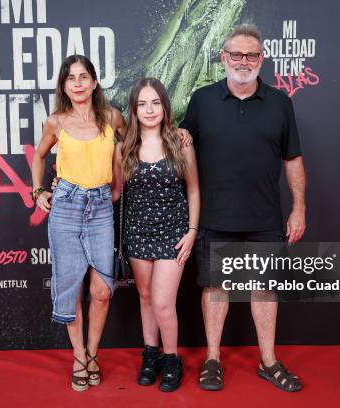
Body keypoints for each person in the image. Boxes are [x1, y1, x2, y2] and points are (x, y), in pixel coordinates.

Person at [180, 24, 306, 392]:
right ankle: (213, 359)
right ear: (224, 57)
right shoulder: (202, 101)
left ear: (262, 59)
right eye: (236, 54)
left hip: (265, 217)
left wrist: (299, 207)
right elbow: (182, 146)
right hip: (215, 215)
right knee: (217, 289)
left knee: (265, 290)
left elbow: (293, 158)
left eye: (252, 55)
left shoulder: (281, 103)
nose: (244, 61)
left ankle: (268, 361)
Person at [31, 54, 126, 392]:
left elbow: (130, 148)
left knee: (101, 291)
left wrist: (117, 183)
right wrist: (39, 191)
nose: (78, 83)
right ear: (64, 86)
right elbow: (39, 156)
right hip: (67, 207)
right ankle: (79, 357)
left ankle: (93, 353)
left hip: (100, 207)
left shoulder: (112, 117)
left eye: (84, 77)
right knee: (71, 291)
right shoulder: (56, 121)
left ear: (95, 82)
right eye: (71, 78)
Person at [111, 78, 200, 392]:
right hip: (137, 233)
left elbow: (193, 189)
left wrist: (191, 232)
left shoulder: (180, 141)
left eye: (155, 103)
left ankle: (172, 358)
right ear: (134, 110)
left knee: (163, 303)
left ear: (165, 105)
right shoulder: (124, 148)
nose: (149, 110)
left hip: (173, 233)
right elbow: (114, 193)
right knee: (146, 298)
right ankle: (150, 356)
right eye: (142, 104)